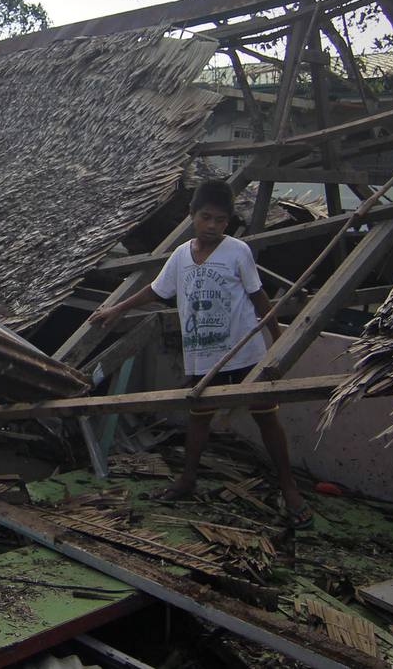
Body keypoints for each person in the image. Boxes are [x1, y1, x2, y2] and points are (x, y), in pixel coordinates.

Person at [90, 180, 313, 528]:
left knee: (266, 418)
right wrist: (116, 310)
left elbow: (259, 300)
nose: (212, 226)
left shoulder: (237, 251)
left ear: (228, 223)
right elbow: (156, 290)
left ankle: (289, 488)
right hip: (202, 355)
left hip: (243, 354)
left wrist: (278, 344)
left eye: (220, 221)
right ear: (192, 216)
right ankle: (187, 480)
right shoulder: (181, 255)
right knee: (199, 419)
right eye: (206, 218)